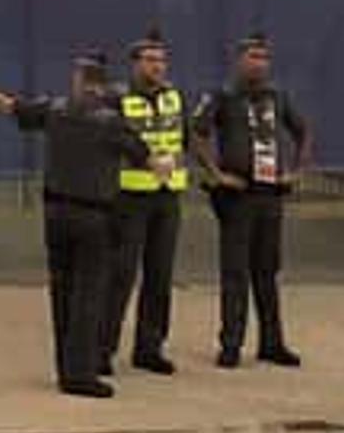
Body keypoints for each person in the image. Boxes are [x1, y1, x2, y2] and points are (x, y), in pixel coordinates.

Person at [0, 54, 149, 397]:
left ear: (79, 80)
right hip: (94, 215)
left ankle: (65, 368)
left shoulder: (55, 110)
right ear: (102, 84)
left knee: (61, 292)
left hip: (55, 213)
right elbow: (143, 156)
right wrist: (162, 164)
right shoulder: (112, 122)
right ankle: (80, 374)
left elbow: (6, 105)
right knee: (89, 295)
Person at [194, 33, 310, 370]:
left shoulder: (277, 96)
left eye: (264, 57)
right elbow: (197, 132)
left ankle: (272, 343)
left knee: (267, 271)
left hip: (270, 194)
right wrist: (215, 173)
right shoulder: (223, 96)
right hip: (237, 196)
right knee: (235, 272)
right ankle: (231, 343)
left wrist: (297, 171)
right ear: (240, 61)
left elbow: (302, 130)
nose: (259, 63)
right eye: (253, 57)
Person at [106, 32, 192, 377]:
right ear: (135, 64)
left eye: (161, 60)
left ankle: (150, 347)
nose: (158, 66)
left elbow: (182, 136)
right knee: (120, 275)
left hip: (167, 196)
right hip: (129, 197)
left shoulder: (173, 96)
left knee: (160, 275)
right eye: (150, 60)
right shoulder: (118, 98)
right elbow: (111, 138)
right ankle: (103, 347)